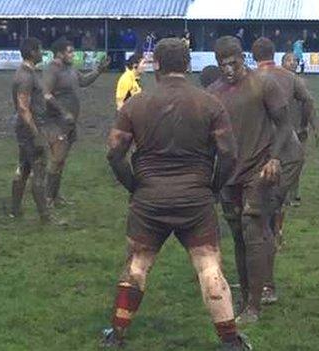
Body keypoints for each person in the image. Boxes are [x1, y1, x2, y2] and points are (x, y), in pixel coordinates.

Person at [100, 38, 250, 350]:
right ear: (189, 64)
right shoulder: (209, 104)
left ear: (156, 65)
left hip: (149, 200)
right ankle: (230, 341)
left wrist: (135, 185)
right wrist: (212, 188)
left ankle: (117, 335)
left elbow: (114, 154)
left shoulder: (135, 104)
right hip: (195, 200)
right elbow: (229, 155)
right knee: (209, 268)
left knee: (137, 264)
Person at [207, 36, 291, 325]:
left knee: (253, 229)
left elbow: (284, 125)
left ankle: (254, 305)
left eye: (233, 62)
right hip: (229, 174)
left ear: (243, 58)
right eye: (222, 64)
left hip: (259, 169)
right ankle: (245, 297)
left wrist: (275, 158)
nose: (228, 69)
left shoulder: (264, 84)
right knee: (239, 236)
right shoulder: (213, 93)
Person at [252, 37, 314, 303]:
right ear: (275, 54)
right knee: (270, 207)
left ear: (252, 56)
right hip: (290, 153)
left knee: (260, 217)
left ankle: (265, 284)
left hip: (264, 153)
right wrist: (300, 128)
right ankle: (264, 277)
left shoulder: (251, 80)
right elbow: (308, 100)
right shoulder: (289, 77)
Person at [42, 38, 110, 208]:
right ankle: (47, 198)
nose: (73, 55)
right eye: (70, 51)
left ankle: (55, 196)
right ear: (59, 53)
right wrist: (63, 112)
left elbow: (84, 81)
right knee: (56, 159)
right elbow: (46, 95)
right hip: (56, 122)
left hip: (69, 123)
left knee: (62, 160)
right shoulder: (52, 70)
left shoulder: (70, 69)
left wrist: (99, 70)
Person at [9, 38, 59, 224]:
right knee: (38, 169)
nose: (42, 52)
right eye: (40, 50)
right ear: (32, 52)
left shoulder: (26, 73)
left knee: (23, 167)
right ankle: (45, 217)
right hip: (30, 129)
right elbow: (23, 107)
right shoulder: (26, 76)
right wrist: (36, 133)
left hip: (24, 129)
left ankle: (14, 210)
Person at [281, 52, 318, 207]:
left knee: (297, 163)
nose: (293, 63)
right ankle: (283, 196)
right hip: (284, 130)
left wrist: (313, 125)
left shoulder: (301, 82)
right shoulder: (277, 82)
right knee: (285, 163)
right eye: (289, 60)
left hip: (300, 128)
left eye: (295, 60)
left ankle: (293, 194)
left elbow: (309, 105)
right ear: (283, 63)